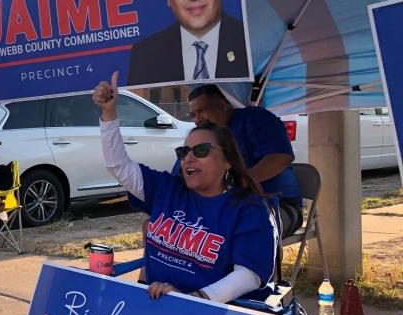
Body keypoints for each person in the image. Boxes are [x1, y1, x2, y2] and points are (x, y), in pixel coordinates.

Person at [94, 72, 276, 302]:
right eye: (184, 151)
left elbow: (248, 275)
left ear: (227, 161)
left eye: (201, 151)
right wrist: (109, 113)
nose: (188, 158)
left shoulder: (248, 209)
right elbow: (119, 166)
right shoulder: (168, 188)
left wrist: (194, 299)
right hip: (158, 306)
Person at [185, 85, 302, 238]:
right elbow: (181, 177)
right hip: (223, 207)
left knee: (237, 229)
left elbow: (281, 157)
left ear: (223, 105)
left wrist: (241, 181)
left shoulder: (256, 119)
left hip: (278, 205)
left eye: (202, 111)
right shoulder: (202, 137)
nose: (197, 120)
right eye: (193, 115)